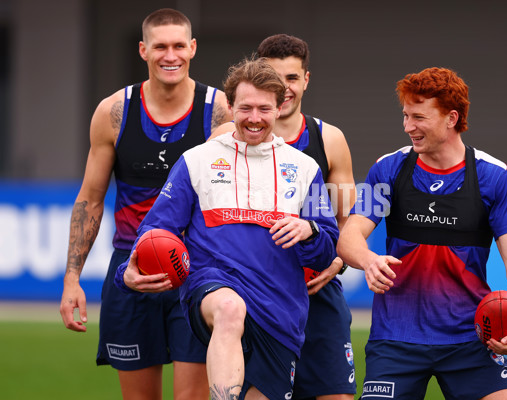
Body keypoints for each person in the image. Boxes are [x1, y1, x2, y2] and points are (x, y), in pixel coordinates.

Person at [114, 57, 340, 400]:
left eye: (264, 109)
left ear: (279, 109)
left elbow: (326, 251)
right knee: (230, 309)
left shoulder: (305, 169)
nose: (254, 118)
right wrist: (126, 274)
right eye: (245, 107)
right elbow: (156, 230)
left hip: (279, 313)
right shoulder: (197, 160)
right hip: (213, 287)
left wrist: (309, 230)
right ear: (230, 106)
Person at [337, 67, 507, 400]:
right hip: (395, 339)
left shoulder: (494, 176)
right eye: (405, 116)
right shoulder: (389, 168)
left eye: (418, 117)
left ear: (451, 118)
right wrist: (369, 260)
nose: (408, 127)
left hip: (472, 338)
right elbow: (348, 238)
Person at [59, 8, 231, 400]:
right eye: (160, 47)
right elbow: (90, 199)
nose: (170, 55)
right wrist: (72, 280)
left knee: (191, 397)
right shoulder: (114, 113)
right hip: (131, 266)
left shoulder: (219, 110)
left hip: (197, 268)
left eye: (178, 46)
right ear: (143, 50)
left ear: (192, 48)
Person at [213, 33, 357, 400]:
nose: (285, 88)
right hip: (253, 293)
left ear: (306, 80)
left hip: (315, 291)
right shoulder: (227, 137)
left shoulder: (329, 139)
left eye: (292, 78)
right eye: (276, 78)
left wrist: (338, 260)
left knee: (336, 395)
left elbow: (351, 217)